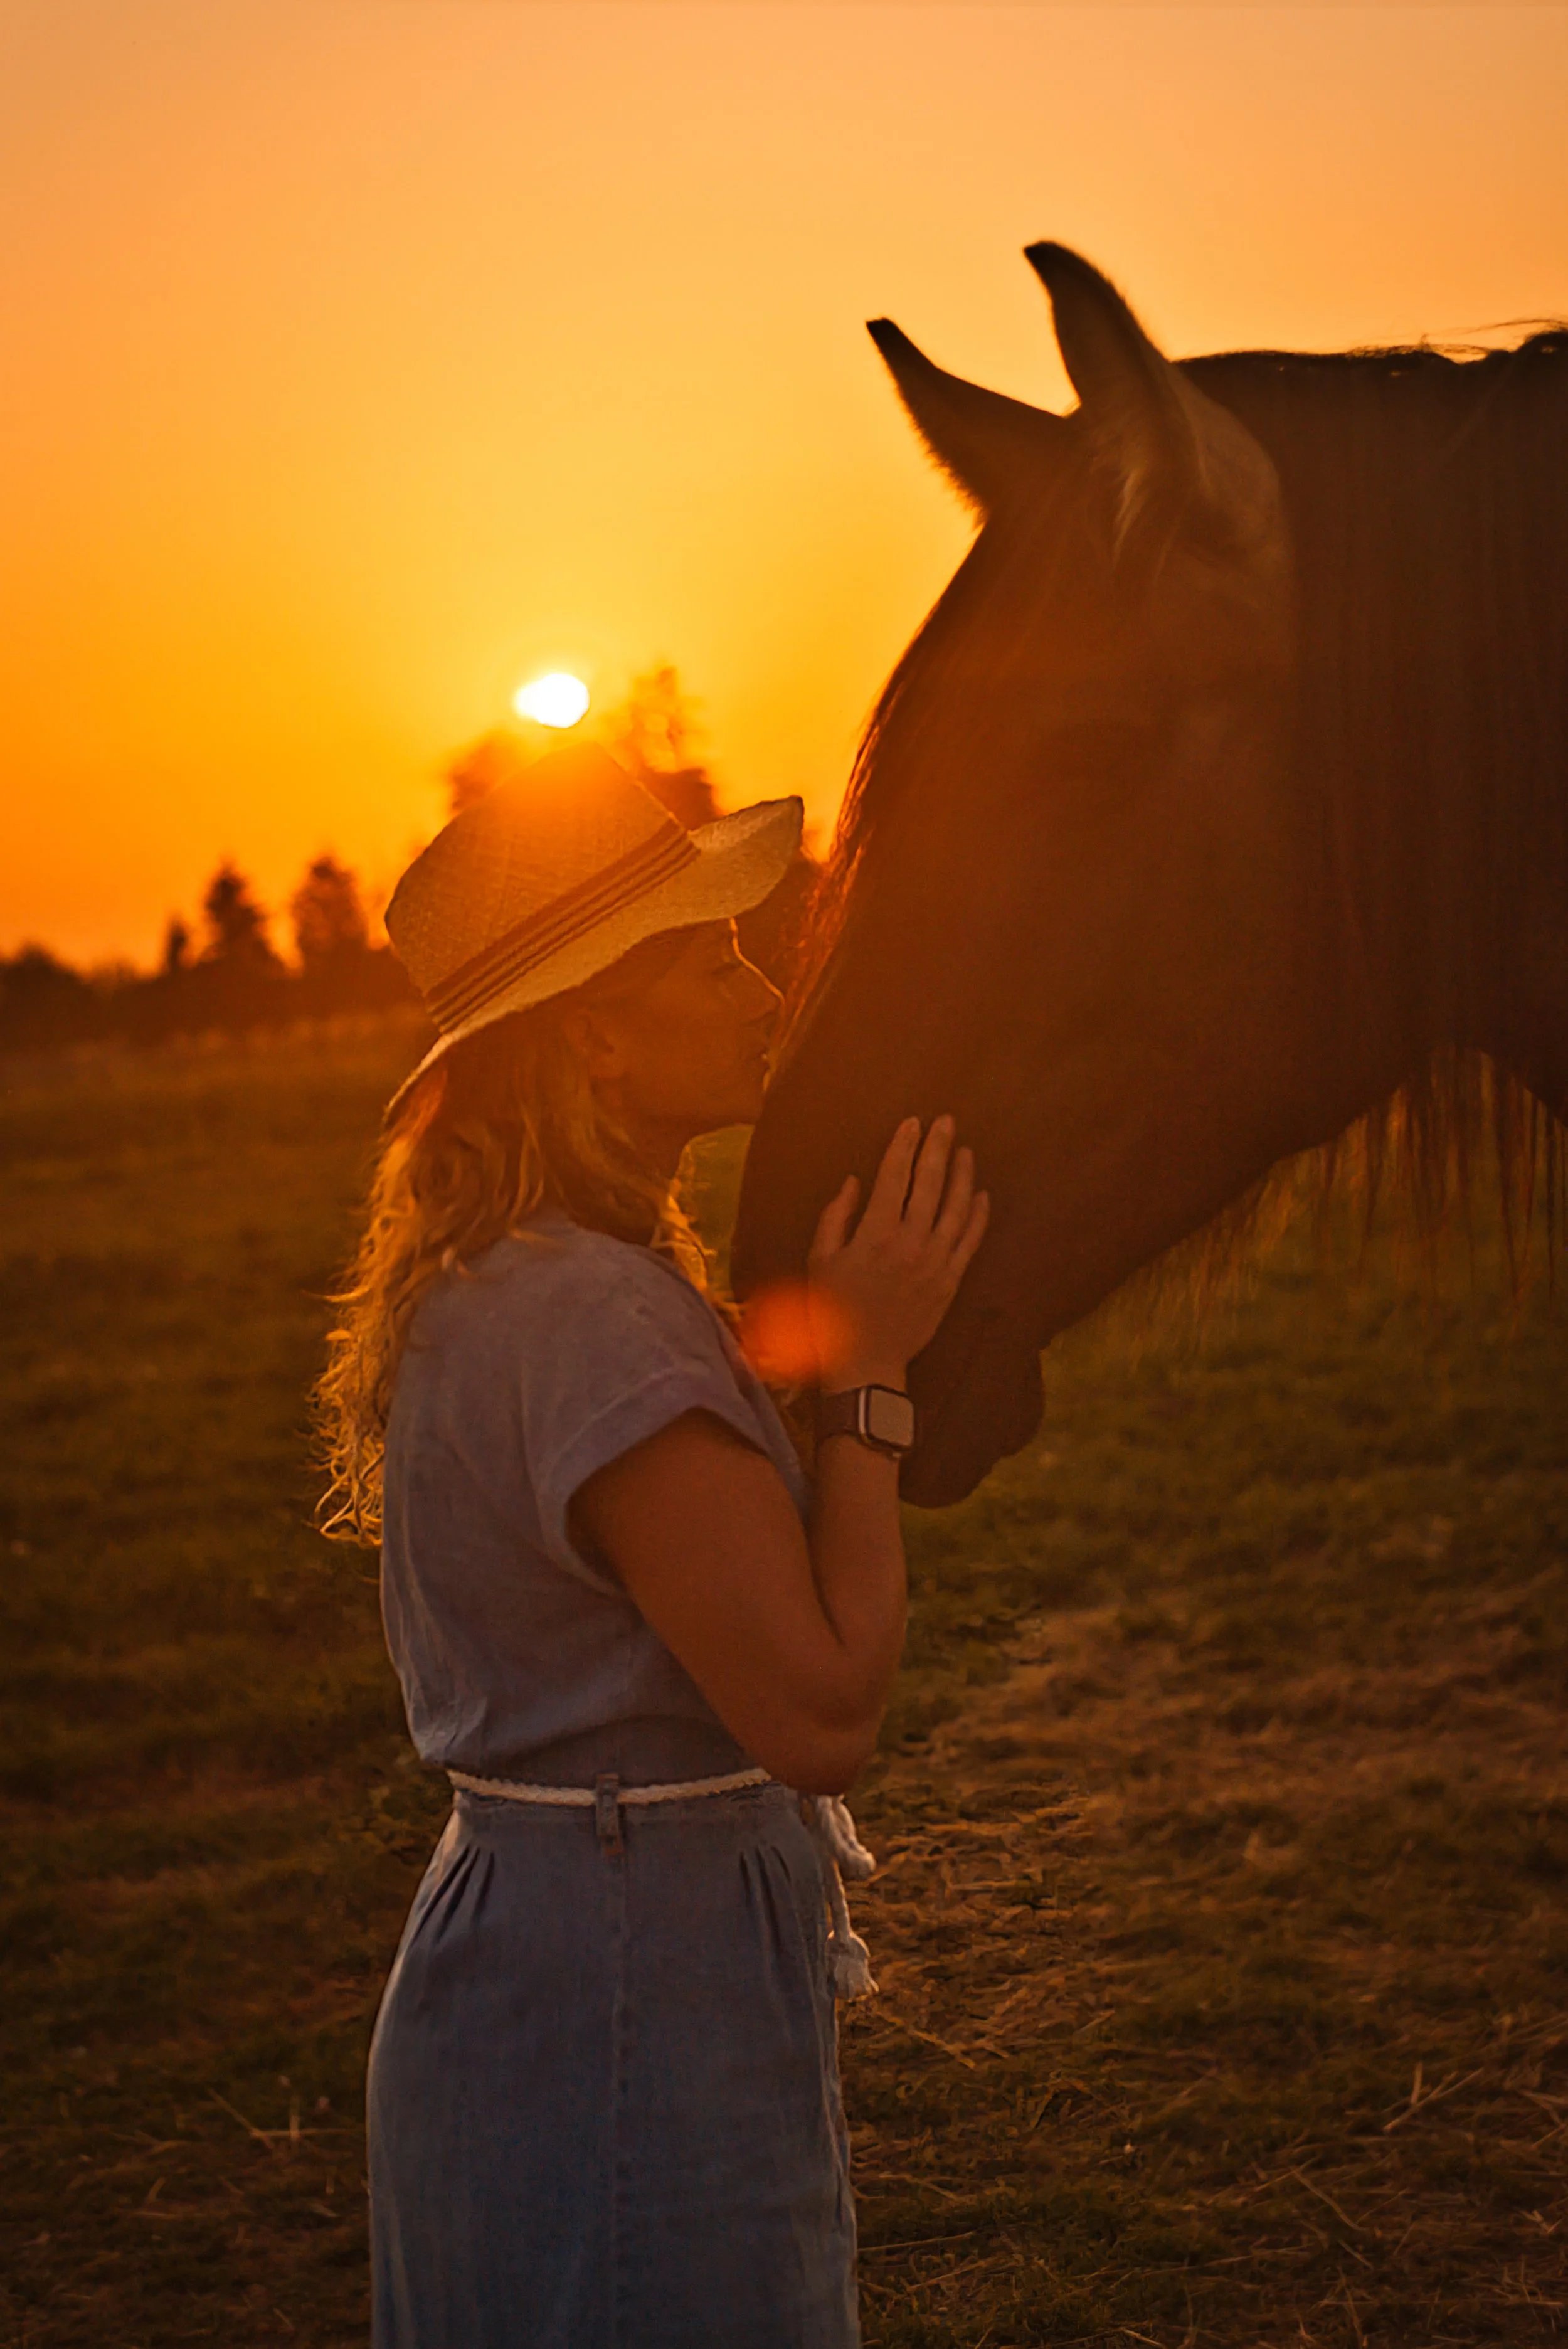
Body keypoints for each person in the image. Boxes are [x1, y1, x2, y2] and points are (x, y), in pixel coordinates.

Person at [315, 741, 988, 2349]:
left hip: (554, 1951)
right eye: (716, 957)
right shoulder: (598, 1323)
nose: (767, 992)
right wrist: (874, 1376)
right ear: (598, 1035)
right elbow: (822, 1713)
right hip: (629, 1986)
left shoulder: (513, 1282)